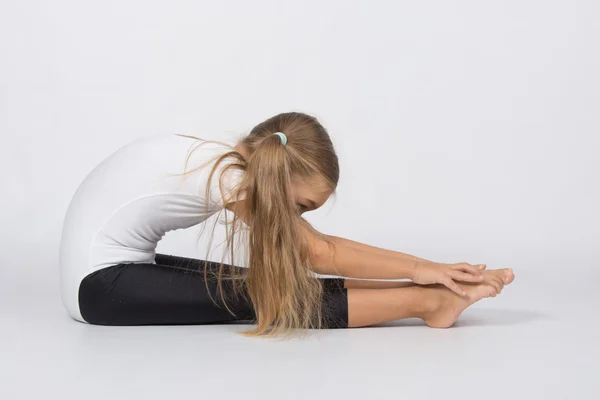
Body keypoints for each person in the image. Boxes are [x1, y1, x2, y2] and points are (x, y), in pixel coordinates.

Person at [58, 111, 515, 337]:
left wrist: (427, 268)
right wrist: (425, 268)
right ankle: (428, 304)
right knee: (270, 295)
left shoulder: (232, 158)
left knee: (260, 282)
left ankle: (431, 298)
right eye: (300, 207)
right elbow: (318, 252)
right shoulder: (233, 178)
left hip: (116, 269)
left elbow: (315, 248)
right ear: (280, 177)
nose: (299, 220)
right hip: (99, 288)